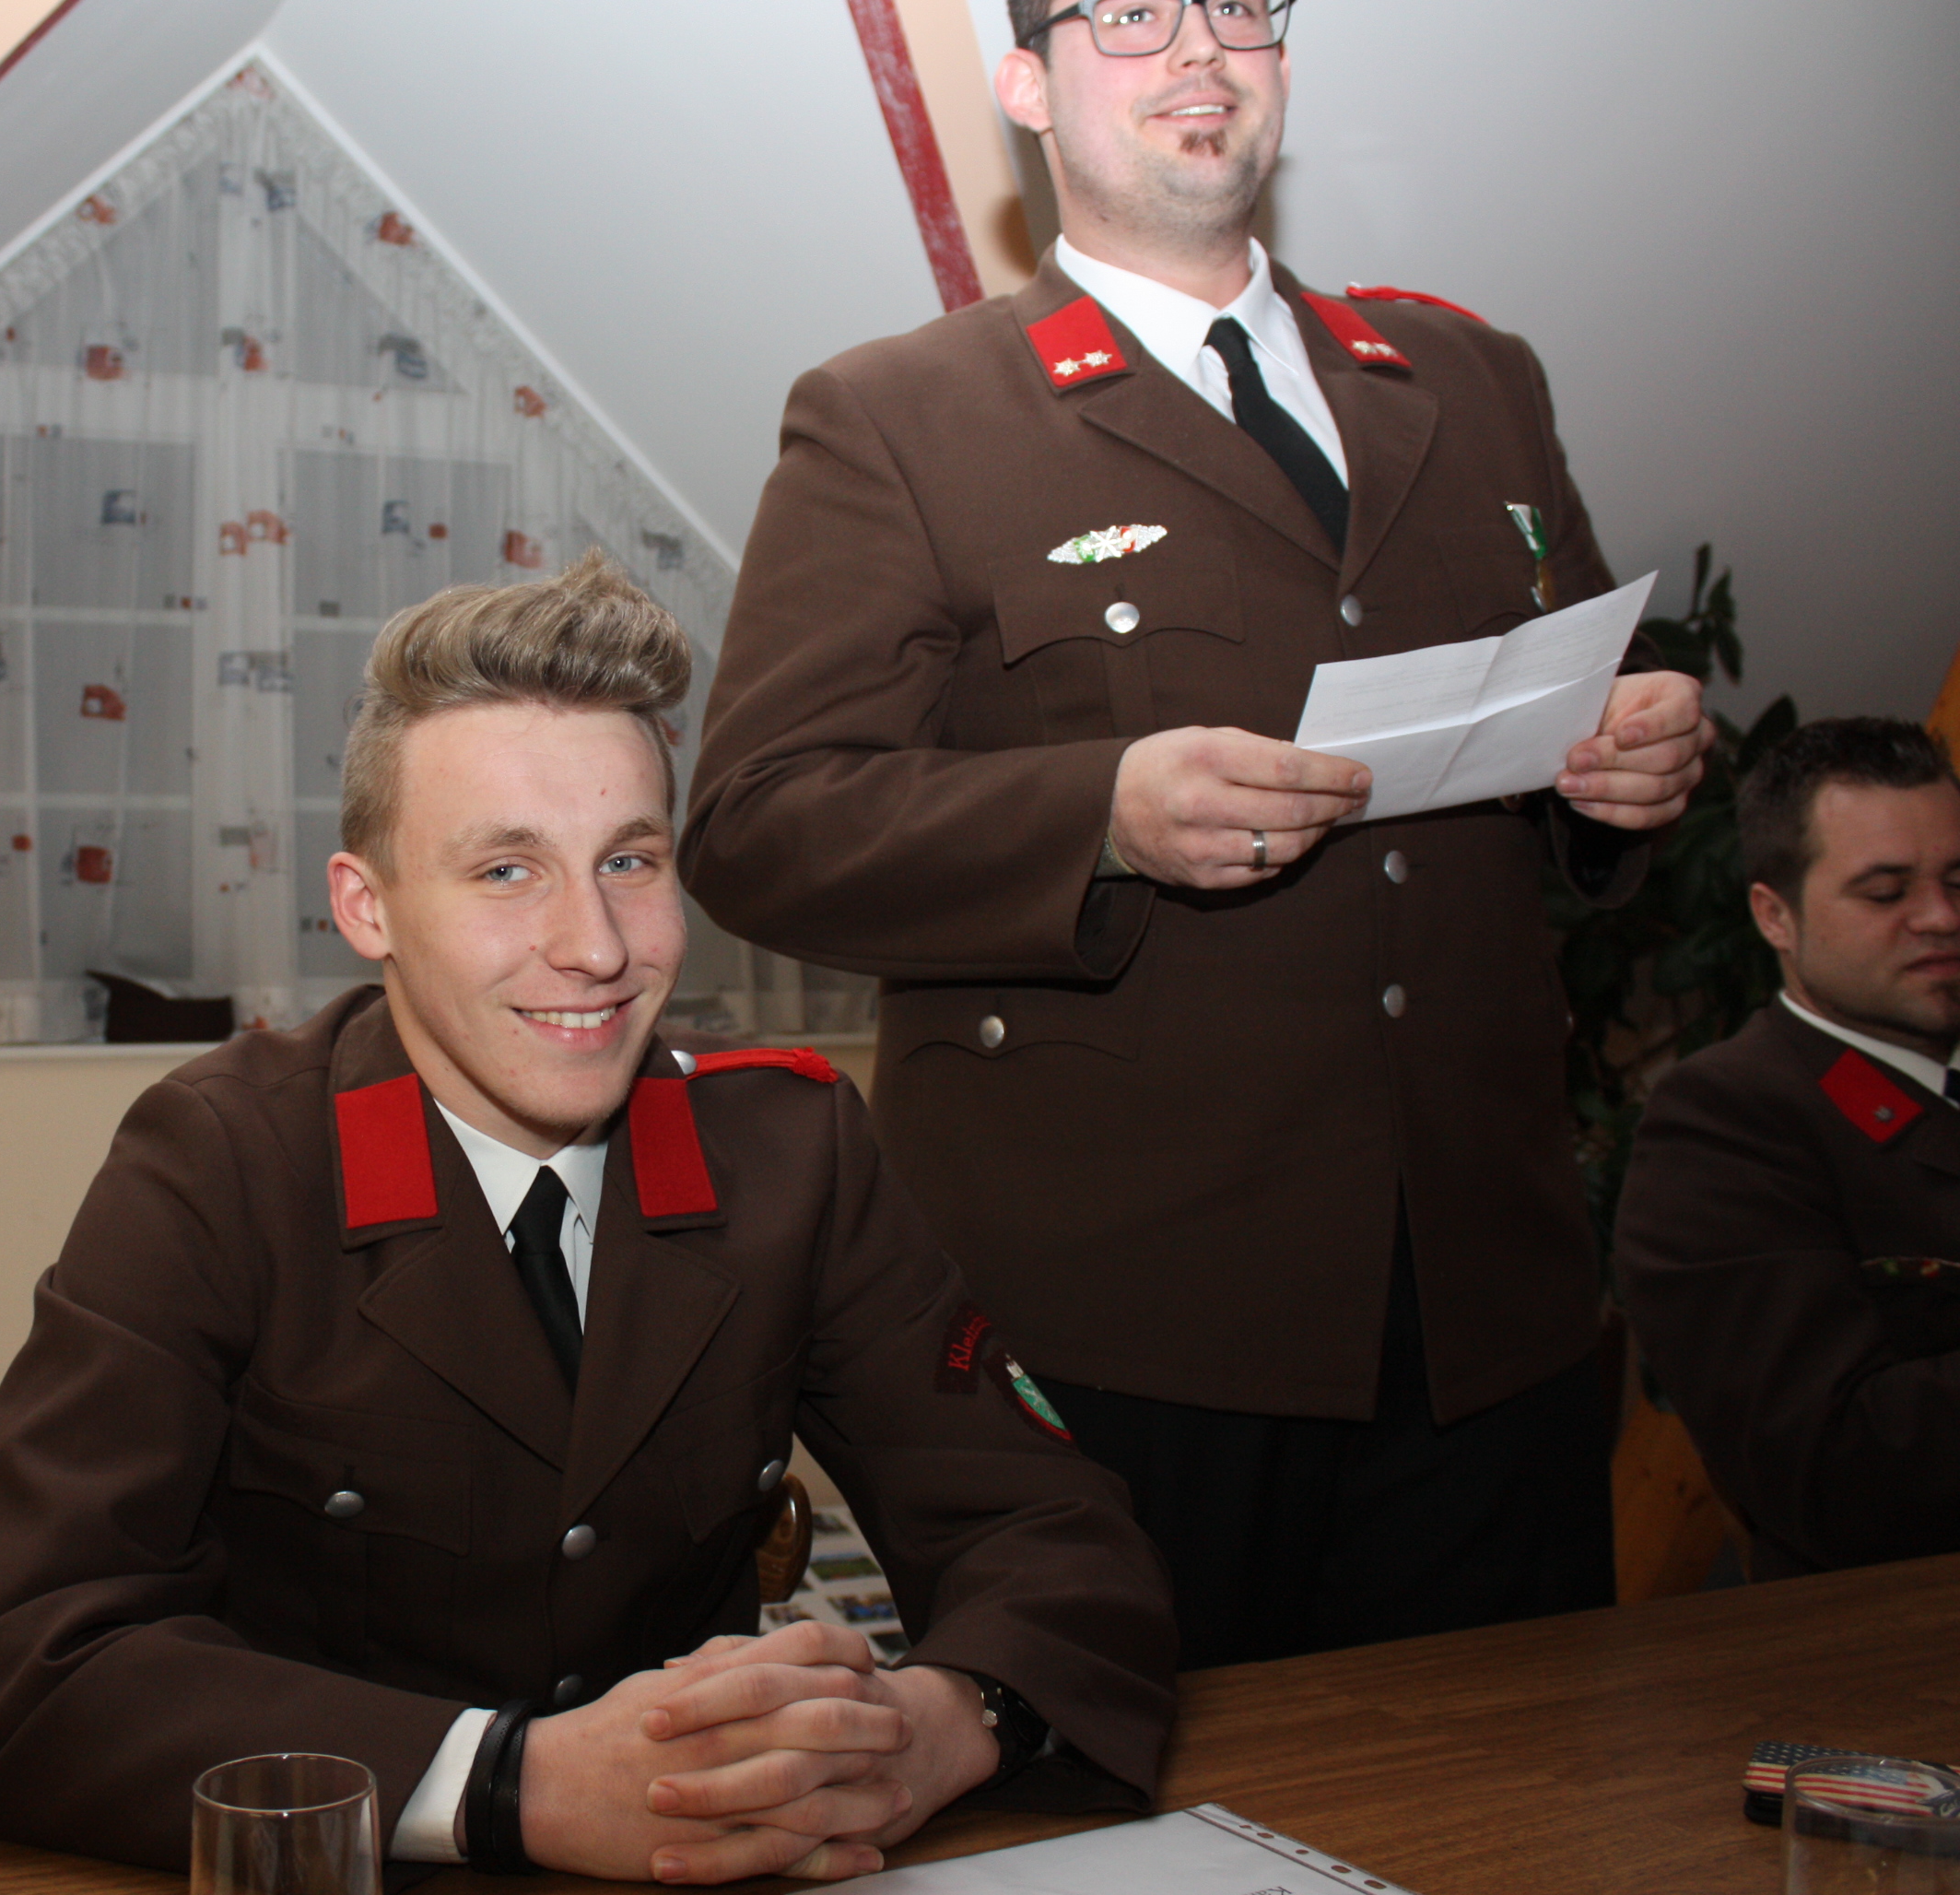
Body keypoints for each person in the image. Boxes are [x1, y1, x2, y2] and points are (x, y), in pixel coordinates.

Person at [680, 0, 1716, 1667]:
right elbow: (755, 823)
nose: (1197, 52)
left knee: (1513, 1783)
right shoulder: (900, 417)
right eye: (1129, 15)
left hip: (1490, 1304)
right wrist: (1097, 816)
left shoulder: (1470, 378)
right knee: (1141, 1790)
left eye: (1240, 8)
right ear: (1025, 86)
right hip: (1132, 1327)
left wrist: (1628, 759)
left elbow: (1576, 697)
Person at [0, 552, 1175, 1882]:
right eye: (507, 870)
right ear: (366, 906)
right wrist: (512, 1784)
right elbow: (15, 1673)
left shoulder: (788, 1147)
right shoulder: (223, 1162)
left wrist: (940, 1725)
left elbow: (1052, 1538)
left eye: (629, 860)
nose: (597, 946)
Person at [1616, 717, 1960, 1580]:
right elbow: (1832, 1472)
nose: (1940, 918)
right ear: (1774, 916)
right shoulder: (1724, 1124)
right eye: (1885, 893)